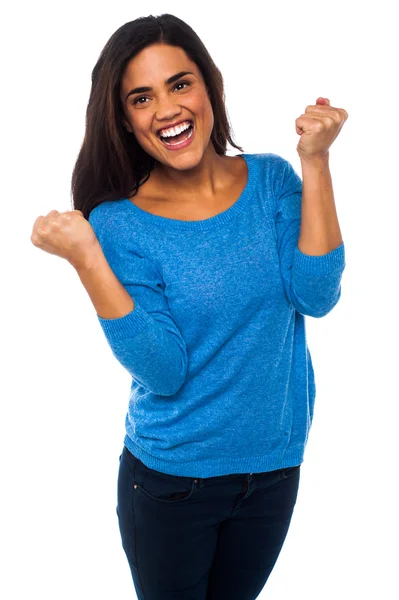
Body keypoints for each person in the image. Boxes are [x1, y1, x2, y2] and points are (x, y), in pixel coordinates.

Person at [30, 13, 348, 600]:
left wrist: (317, 161)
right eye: (141, 97)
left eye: (180, 84)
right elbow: (163, 369)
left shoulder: (274, 180)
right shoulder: (119, 224)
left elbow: (317, 294)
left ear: (209, 86)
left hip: (275, 467)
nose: (167, 109)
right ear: (124, 120)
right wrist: (88, 260)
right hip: (173, 483)